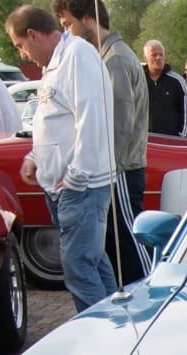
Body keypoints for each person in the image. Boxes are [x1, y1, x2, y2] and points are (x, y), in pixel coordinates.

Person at [6, 4, 116, 313]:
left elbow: (91, 115)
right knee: (91, 261)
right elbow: (54, 119)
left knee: (79, 268)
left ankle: (102, 334)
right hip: (66, 186)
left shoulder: (76, 56)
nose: (23, 54)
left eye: (20, 46)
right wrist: (35, 155)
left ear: (33, 34)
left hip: (80, 186)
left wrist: (77, 174)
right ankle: (115, 324)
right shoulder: (56, 63)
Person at [52, 0, 149, 287]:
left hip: (118, 171)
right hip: (116, 171)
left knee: (129, 255)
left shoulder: (114, 59)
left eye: (69, 24)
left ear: (88, 18)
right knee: (116, 257)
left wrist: (104, 174)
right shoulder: (106, 56)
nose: (67, 33)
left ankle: (147, 310)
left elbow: (117, 124)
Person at [143, 39, 187, 136]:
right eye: (154, 55)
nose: (158, 58)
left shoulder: (177, 81)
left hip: (171, 143)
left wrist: (181, 138)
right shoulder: (139, 80)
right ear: (145, 58)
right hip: (145, 143)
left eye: (161, 55)